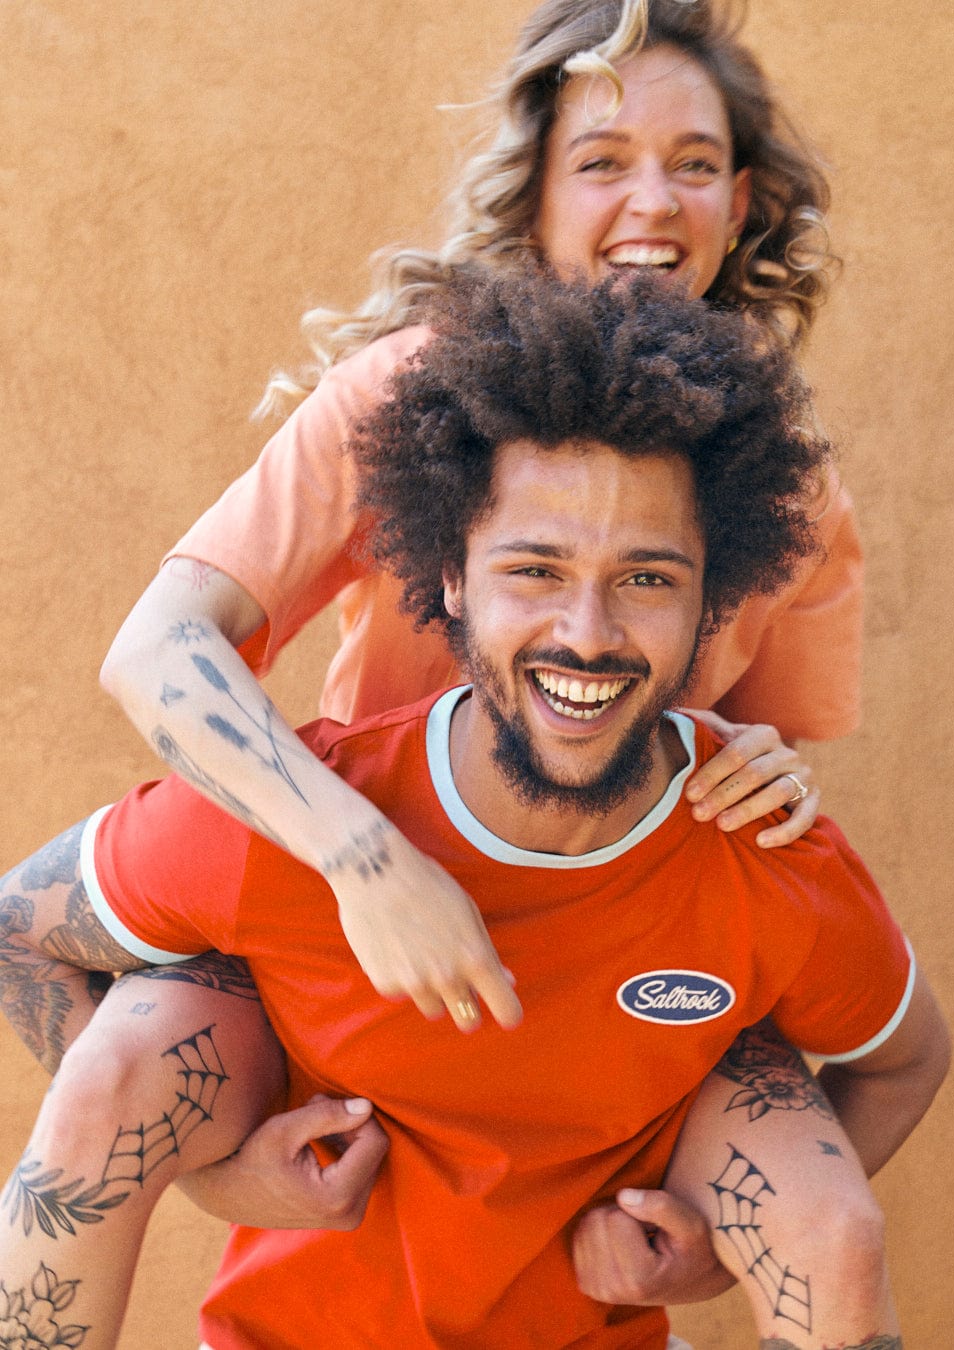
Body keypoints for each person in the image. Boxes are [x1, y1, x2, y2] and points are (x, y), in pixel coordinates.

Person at [0, 0, 879, 1335]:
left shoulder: (788, 479)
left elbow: (768, 818)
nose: (654, 200)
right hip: (357, 932)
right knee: (117, 1069)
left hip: (615, 957)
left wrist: (766, 771)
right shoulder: (412, 397)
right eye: (603, 160)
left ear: (742, 200)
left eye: (694, 161)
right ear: (533, 191)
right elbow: (160, 648)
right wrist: (366, 867)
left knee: (825, 1219)